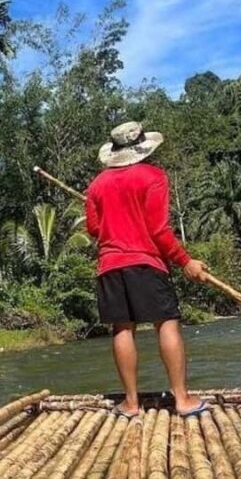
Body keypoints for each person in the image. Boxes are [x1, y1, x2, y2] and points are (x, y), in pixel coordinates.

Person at [85, 121, 209, 417]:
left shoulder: (97, 185)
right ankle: (182, 398)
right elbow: (158, 230)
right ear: (142, 148)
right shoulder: (153, 176)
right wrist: (185, 261)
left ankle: (131, 403)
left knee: (122, 328)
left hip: (110, 266)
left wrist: (113, 218)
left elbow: (94, 229)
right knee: (166, 324)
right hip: (146, 262)